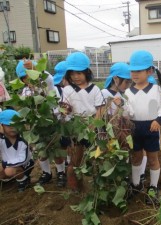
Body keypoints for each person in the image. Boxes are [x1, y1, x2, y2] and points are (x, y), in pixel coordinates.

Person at [125, 50, 161, 205]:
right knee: (136, 157)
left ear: (149, 71)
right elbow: (129, 112)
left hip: (152, 129)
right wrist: (121, 108)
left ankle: (153, 187)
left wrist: (158, 120)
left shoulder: (156, 90)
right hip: (134, 129)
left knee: (152, 159)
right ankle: (136, 184)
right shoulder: (128, 92)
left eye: (139, 70)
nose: (134, 74)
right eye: (132, 71)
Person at [15, 59, 66, 187]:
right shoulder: (26, 92)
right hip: (37, 126)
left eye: (30, 76)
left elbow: (48, 78)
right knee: (41, 151)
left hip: (52, 121)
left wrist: (37, 69)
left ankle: (61, 172)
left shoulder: (46, 86)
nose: (29, 81)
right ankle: (46, 173)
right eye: (25, 78)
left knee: (56, 150)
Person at [61, 51, 104, 191]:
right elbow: (65, 108)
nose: (76, 77)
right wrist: (65, 111)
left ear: (86, 72)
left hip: (92, 126)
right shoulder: (67, 90)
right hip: (76, 127)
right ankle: (75, 186)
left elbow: (100, 109)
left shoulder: (95, 89)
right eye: (72, 74)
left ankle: (96, 185)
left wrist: (94, 124)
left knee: (96, 157)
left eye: (79, 73)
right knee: (75, 158)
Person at [0, 109, 34, 192]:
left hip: (24, 164)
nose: (13, 128)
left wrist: (5, 165)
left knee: (9, 171)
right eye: (9, 126)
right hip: (8, 164)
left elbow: (22, 159)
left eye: (15, 125)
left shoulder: (23, 141)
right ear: (2, 126)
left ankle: (23, 180)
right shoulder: (2, 139)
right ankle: (8, 178)